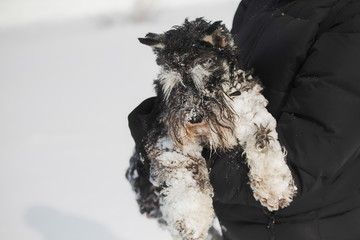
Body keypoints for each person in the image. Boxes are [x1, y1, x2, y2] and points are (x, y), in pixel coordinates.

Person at [128, 0, 360, 239]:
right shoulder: (259, 3)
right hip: (240, 226)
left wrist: (174, 158)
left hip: (303, 227)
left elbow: (306, 158)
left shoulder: (350, 17)